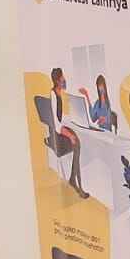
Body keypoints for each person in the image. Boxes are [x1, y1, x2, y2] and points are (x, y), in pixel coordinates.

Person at [46, 68, 86, 198]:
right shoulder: (53, 95)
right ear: (58, 81)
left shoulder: (60, 93)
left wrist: (70, 120)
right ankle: (77, 185)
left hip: (60, 129)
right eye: (63, 78)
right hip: (56, 135)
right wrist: (70, 135)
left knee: (77, 141)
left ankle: (73, 179)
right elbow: (56, 124)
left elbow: (60, 116)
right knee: (76, 143)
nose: (65, 80)